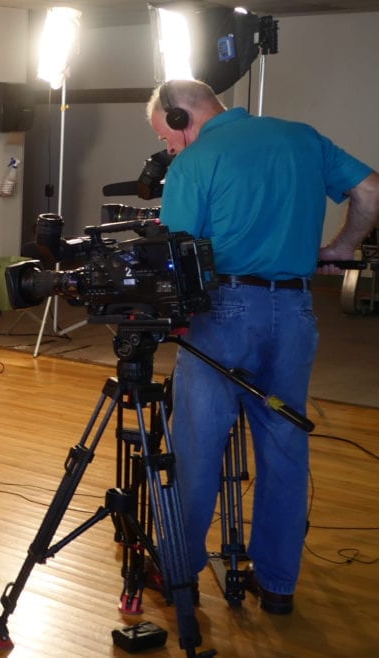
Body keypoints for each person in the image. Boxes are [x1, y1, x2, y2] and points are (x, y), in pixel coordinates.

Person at [146, 79, 379, 615]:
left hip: (222, 315)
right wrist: (342, 246)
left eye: (168, 137)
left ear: (182, 118)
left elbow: (178, 255)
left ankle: (179, 572)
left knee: (199, 451)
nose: (171, 150)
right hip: (294, 312)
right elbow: (370, 191)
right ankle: (277, 583)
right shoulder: (304, 138)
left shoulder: (196, 160)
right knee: (284, 444)